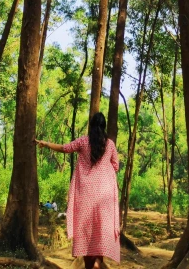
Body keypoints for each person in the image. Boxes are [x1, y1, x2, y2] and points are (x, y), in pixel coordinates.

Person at [36, 112, 120, 269]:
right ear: (104, 126)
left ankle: (90, 264)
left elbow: (64, 148)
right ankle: (98, 261)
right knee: (101, 229)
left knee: (86, 231)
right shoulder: (110, 145)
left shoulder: (83, 141)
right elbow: (115, 165)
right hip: (105, 194)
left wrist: (46, 144)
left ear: (91, 125)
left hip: (85, 194)